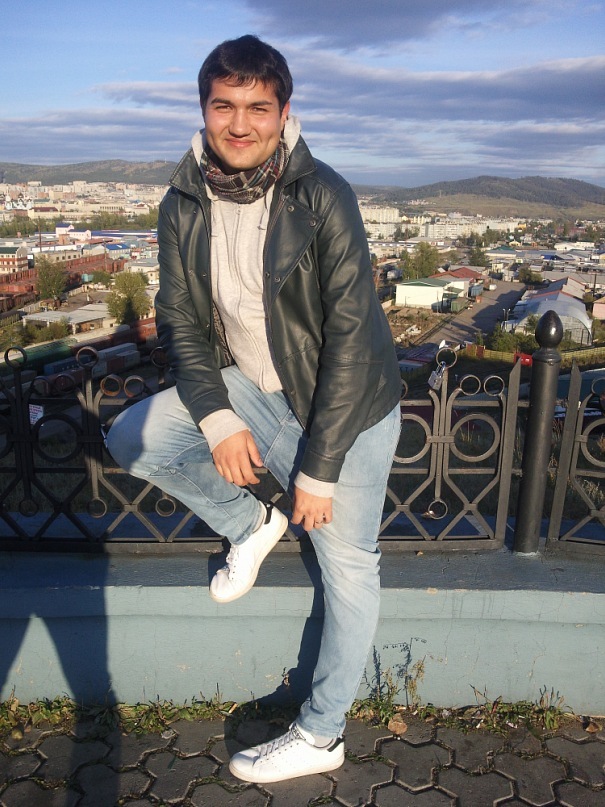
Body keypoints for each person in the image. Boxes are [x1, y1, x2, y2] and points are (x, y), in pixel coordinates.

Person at [106, 34, 401, 784]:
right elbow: (180, 319)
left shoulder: (322, 195)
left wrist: (319, 471)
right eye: (224, 106)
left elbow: (351, 340)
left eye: (257, 108)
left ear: (283, 112)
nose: (239, 125)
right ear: (203, 109)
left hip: (345, 407)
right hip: (254, 389)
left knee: (348, 568)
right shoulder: (183, 200)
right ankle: (251, 523)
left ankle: (323, 732)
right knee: (134, 437)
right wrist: (218, 419)